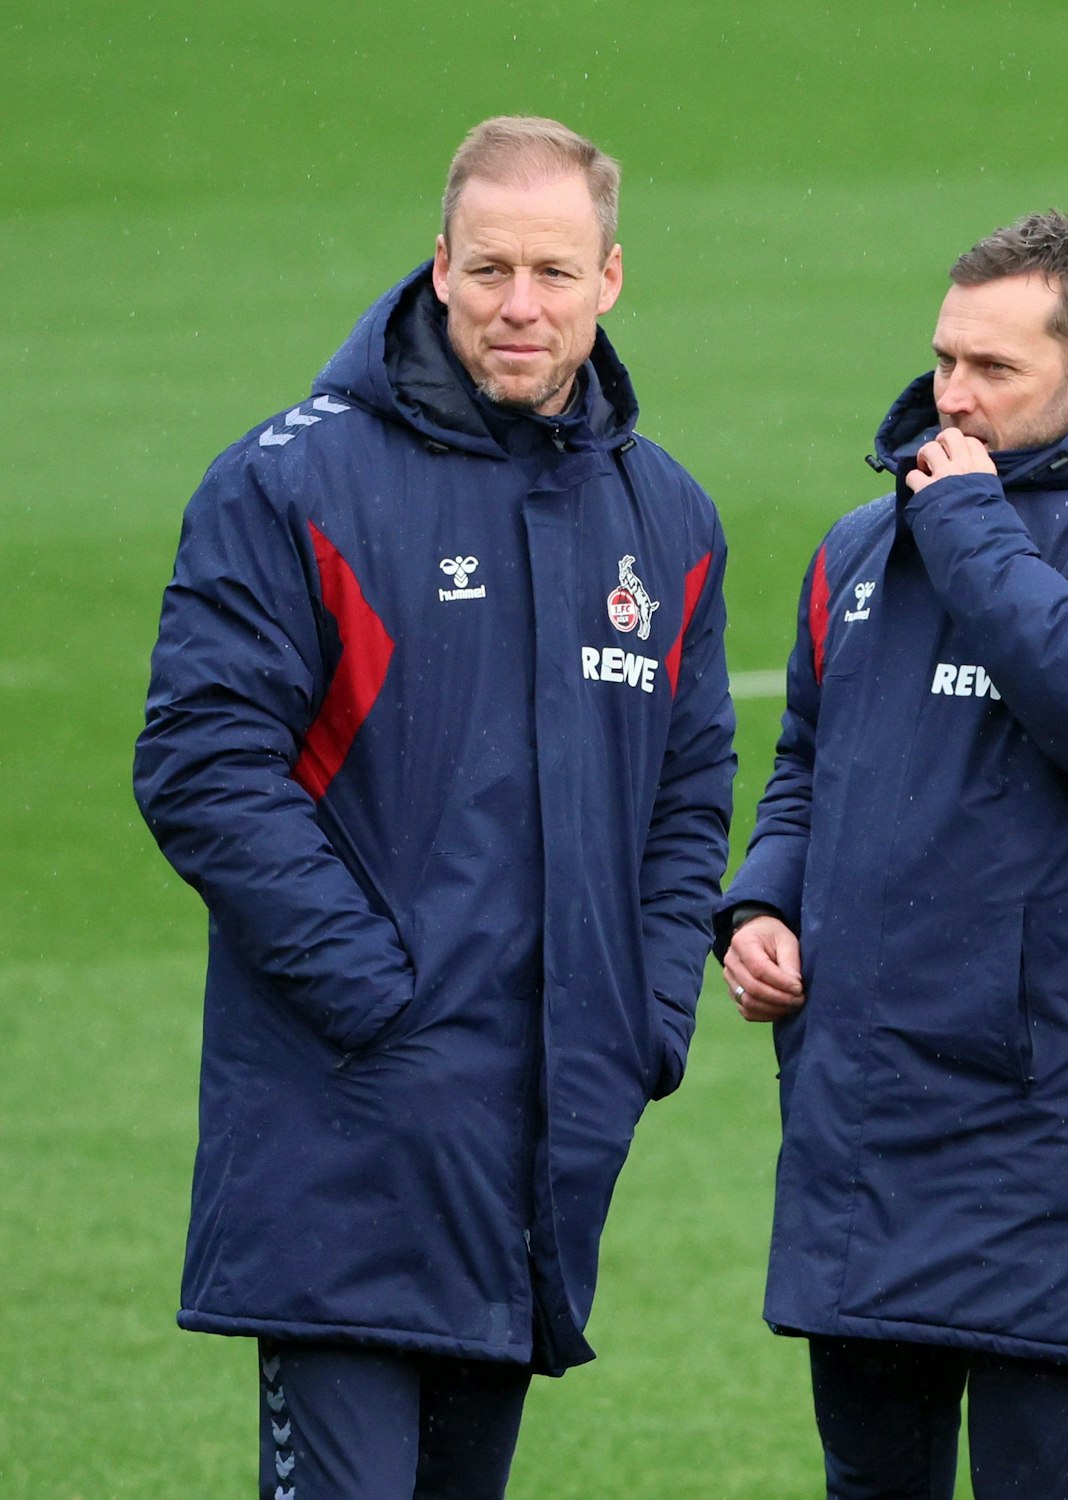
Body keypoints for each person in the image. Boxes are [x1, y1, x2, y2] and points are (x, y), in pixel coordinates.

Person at [132, 116, 734, 1498]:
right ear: (439, 267)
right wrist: (381, 999)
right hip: (350, 1130)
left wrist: (642, 1012)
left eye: (554, 272)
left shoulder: (667, 519)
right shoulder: (292, 484)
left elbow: (690, 785)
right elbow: (202, 765)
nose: (521, 305)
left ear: (612, 280)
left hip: (535, 1148)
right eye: (491, 268)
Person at [719, 211, 1068, 1498]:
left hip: (1043, 1135)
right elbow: (804, 763)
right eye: (944, 359)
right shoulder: (857, 549)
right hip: (862, 1115)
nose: (950, 396)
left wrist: (963, 525)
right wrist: (760, 902)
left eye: (992, 371)